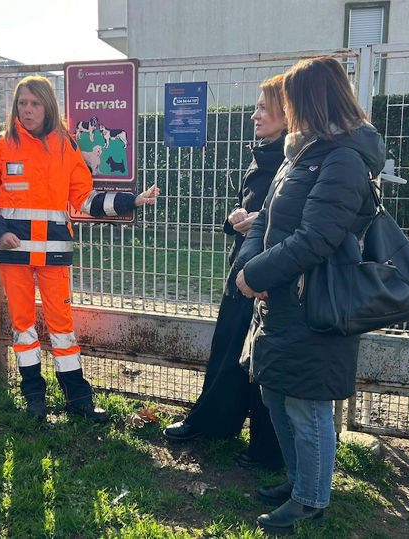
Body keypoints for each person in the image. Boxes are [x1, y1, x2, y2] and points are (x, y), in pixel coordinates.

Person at [235, 56, 386, 534]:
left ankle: (311, 500)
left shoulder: (343, 159)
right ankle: (300, 480)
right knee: (277, 394)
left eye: (290, 100)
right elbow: (267, 217)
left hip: (315, 302)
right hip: (282, 298)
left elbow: (316, 238)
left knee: (307, 404)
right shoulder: (302, 153)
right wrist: (248, 266)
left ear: (311, 100)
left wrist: (258, 272)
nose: (284, 109)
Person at [0, 75, 158, 423]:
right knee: (23, 327)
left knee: (63, 327)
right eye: (22, 103)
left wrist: (131, 201)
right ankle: (34, 398)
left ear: (48, 107)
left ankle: (78, 400)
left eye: (34, 103)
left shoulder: (65, 146)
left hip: (53, 255)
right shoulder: (0, 145)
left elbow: (84, 198)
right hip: (14, 256)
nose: (27, 110)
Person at [163, 75, 286, 470]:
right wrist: (236, 217)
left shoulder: (295, 157)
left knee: (261, 357)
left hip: (273, 273)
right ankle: (214, 424)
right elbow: (248, 203)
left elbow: (295, 216)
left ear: (287, 114)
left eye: (263, 108)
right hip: (244, 266)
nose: (254, 115)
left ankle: (266, 448)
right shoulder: (263, 152)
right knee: (229, 348)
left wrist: (260, 220)